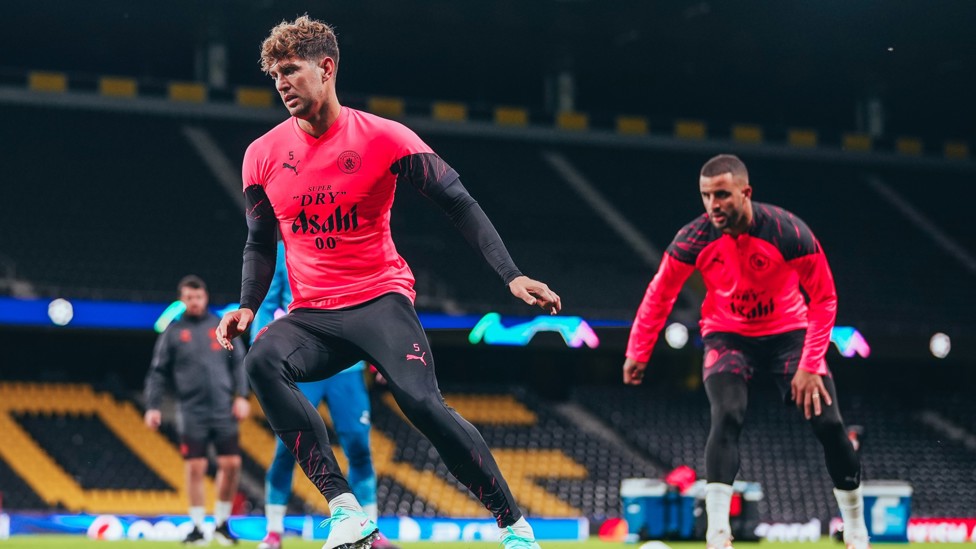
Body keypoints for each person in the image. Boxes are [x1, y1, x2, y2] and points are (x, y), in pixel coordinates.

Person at [215, 15, 561, 549]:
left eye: (291, 70)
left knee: (422, 405)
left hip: (380, 300)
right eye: (274, 75)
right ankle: (345, 510)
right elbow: (260, 243)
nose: (281, 83)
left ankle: (514, 528)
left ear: (326, 68)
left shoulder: (384, 137)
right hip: (313, 316)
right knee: (261, 358)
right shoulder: (260, 155)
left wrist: (511, 275)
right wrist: (246, 305)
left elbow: (459, 205)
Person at [622, 155, 868, 549]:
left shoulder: (789, 232)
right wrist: (639, 350)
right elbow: (659, 294)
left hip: (789, 334)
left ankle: (856, 529)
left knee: (829, 425)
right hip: (727, 336)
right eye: (706, 196)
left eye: (722, 194)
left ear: (745, 192)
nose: (713, 205)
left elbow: (824, 298)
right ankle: (718, 534)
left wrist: (808, 364)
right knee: (728, 414)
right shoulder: (693, 239)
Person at [253, 239, 398, 549]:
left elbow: (370, 304)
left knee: (359, 447)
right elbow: (267, 305)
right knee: (287, 449)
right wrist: (263, 353)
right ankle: (274, 531)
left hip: (347, 368)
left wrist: (384, 355)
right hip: (305, 365)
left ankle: (369, 532)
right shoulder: (281, 250)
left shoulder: (348, 239)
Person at [144, 275, 250, 546]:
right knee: (196, 467)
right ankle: (197, 527)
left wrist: (242, 396)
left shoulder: (220, 325)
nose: (194, 302)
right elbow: (157, 372)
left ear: (205, 297)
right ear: (182, 300)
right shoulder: (173, 332)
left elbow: (239, 363)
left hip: (223, 407)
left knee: (232, 464)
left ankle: (222, 524)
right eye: (189, 298)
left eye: (198, 297)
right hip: (191, 410)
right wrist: (153, 406)